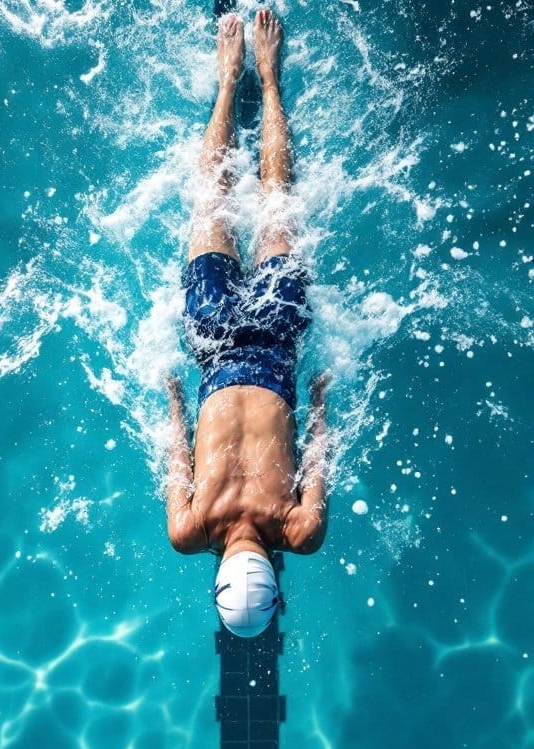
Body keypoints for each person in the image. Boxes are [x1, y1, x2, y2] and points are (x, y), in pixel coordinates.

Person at [166, 9, 328, 639]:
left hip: (277, 344)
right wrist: (175, 396)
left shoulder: (299, 530)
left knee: (275, 194)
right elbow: (175, 450)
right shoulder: (189, 530)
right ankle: (230, 76)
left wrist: (319, 398)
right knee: (213, 193)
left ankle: (266, 74)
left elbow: (319, 448)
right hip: (211, 344)